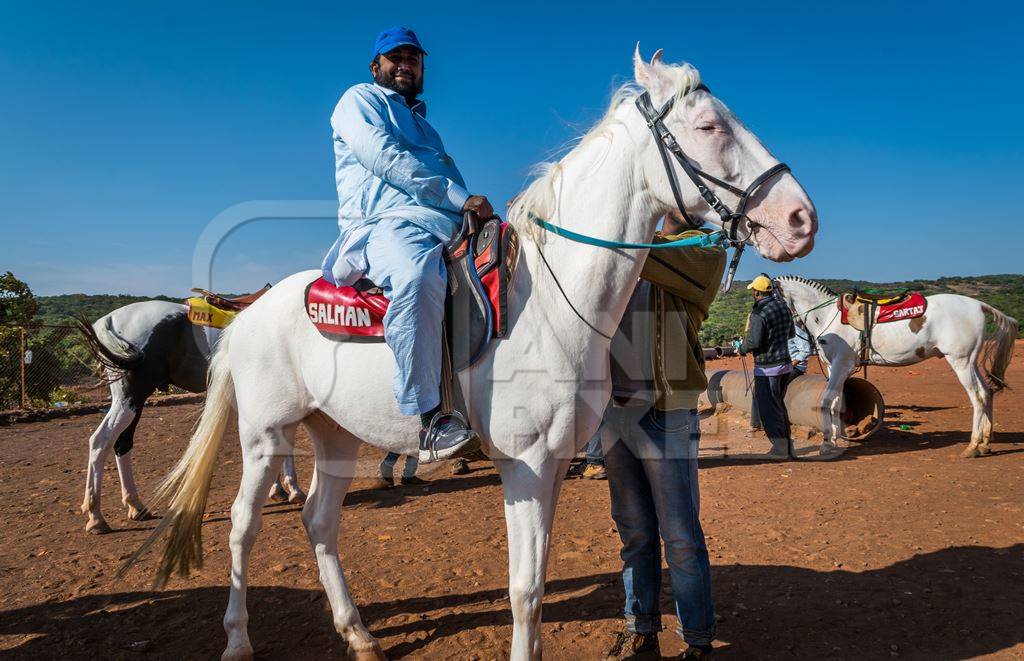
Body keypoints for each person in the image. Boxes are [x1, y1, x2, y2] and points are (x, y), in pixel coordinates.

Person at [321, 27, 492, 462]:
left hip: (443, 222)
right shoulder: (358, 100)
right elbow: (383, 157)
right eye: (394, 58)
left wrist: (471, 213)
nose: (404, 65)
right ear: (375, 66)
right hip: (386, 225)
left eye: (412, 59)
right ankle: (431, 417)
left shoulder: (426, 127)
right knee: (417, 277)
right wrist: (460, 199)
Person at [603, 217, 724, 660]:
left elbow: (625, 245)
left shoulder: (704, 250)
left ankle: (698, 639)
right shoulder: (623, 247)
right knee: (634, 532)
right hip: (614, 412)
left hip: (667, 411)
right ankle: (641, 629)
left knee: (679, 534)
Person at [737, 276, 796, 459]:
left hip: (767, 368)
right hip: (785, 366)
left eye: (753, 291)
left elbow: (754, 341)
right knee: (779, 407)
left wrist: (741, 348)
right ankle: (787, 447)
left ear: (757, 292)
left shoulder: (759, 312)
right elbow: (791, 333)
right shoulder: (784, 307)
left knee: (769, 410)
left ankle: (780, 450)